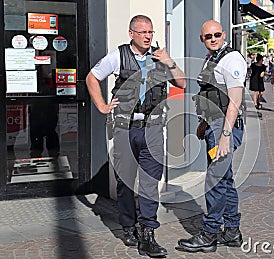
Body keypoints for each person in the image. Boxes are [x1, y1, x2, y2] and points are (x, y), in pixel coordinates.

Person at [86, 15, 186, 257]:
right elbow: (92, 77)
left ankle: (148, 232)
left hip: (152, 128)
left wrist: (169, 60)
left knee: (151, 181)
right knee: (126, 181)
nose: (147, 36)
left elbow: (181, 83)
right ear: (131, 33)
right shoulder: (118, 56)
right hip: (124, 128)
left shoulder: (160, 57)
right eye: (142, 32)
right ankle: (128, 225)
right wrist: (101, 106)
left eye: (150, 32)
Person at [176, 20, 246, 253]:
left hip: (224, 127)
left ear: (224, 34)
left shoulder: (232, 59)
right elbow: (211, 95)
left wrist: (225, 134)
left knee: (214, 180)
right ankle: (232, 231)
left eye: (217, 34)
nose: (213, 38)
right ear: (202, 39)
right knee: (224, 179)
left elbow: (234, 100)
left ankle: (210, 233)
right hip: (213, 125)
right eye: (208, 36)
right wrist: (203, 123)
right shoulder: (211, 59)